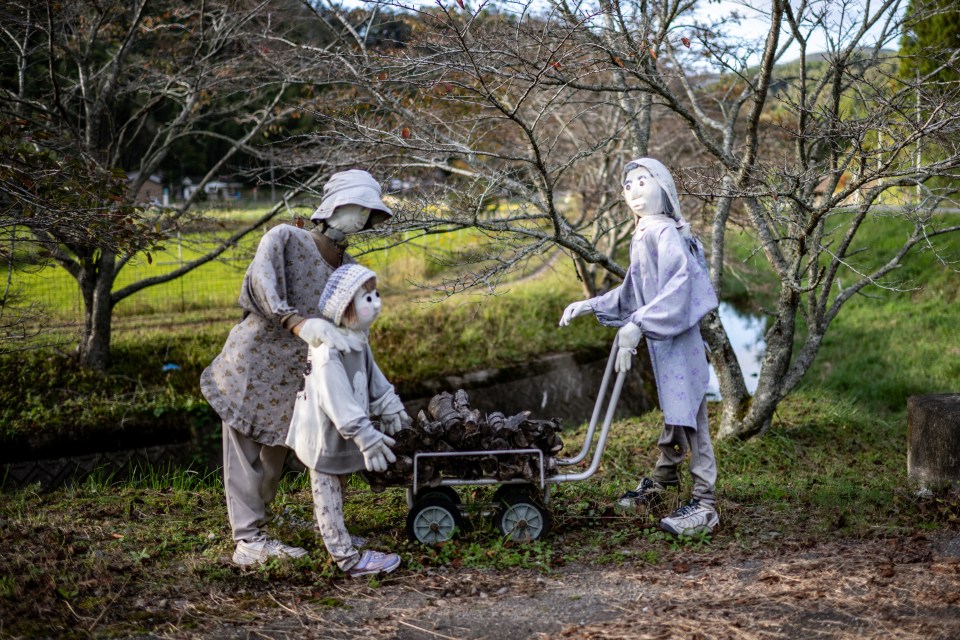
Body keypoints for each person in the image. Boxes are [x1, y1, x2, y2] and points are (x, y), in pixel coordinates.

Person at [201, 170, 394, 566]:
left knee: (275, 458)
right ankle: (248, 540)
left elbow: (352, 328)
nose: (361, 217)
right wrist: (296, 321)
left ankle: (266, 522)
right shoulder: (285, 239)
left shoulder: (350, 268)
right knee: (245, 457)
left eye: (368, 211)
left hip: (297, 380)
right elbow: (262, 284)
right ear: (334, 206)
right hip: (253, 366)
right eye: (356, 206)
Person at [558, 157, 721, 536]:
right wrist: (590, 304)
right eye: (628, 185)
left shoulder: (664, 233)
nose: (634, 191)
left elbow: (678, 289)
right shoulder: (645, 233)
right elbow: (634, 292)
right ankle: (662, 481)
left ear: (663, 187)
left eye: (643, 181)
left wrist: (639, 325)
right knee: (674, 414)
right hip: (665, 344)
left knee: (692, 420)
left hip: (679, 342)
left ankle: (706, 503)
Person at [286, 264, 409, 577]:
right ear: (345, 307)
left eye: (376, 295)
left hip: (340, 434)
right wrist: (365, 435)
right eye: (366, 298)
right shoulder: (328, 351)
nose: (376, 303)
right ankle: (346, 558)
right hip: (323, 435)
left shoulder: (357, 340)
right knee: (327, 489)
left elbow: (372, 377)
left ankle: (331, 532)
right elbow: (336, 399)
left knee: (338, 486)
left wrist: (388, 404)